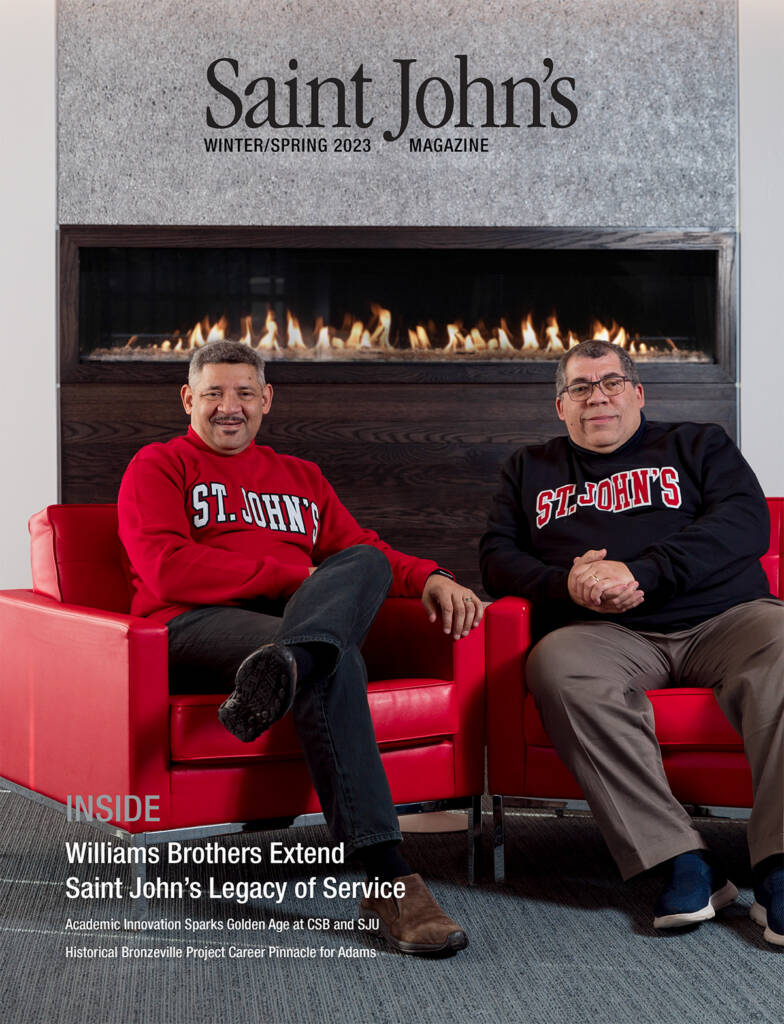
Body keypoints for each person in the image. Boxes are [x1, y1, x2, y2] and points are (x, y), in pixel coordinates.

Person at [118, 339, 483, 956]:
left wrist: (430, 576)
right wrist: (295, 579)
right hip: (190, 626)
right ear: (188, 399)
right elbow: (166, 569)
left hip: (285, 627)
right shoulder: (159, 465)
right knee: (334, 653)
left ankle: (290, 663)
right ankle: (390, 878)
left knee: (361, 559)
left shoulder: (302, 477)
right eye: (212, 393)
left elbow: (363, 554)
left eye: (243, 393)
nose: (228, 407)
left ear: (266, 401)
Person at [479, 338, 784, 945]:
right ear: (559, 407)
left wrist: (641, 571)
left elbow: (745, 523)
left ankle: (778, 866)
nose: (598, 397)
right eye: (580, 388)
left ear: (638, 393)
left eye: (612, 383)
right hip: (605, 632)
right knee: (556, 667)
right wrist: (567, 584)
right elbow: (496, 558)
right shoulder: (528, 467)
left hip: (726, 618)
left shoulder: (699, 443)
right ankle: (680, 859)